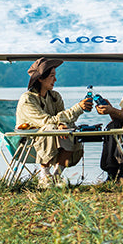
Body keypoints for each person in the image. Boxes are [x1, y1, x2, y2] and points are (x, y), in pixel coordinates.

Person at [16, 57, 93, 187]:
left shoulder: (55, 96)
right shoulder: (27, 99)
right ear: (40, 78)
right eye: (52, 76)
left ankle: (57, 176)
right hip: (30, 141)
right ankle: (44, 174)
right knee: (50, 128)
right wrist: (78, 108)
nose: (55, 80)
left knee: (68, 130)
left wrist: (62, 125)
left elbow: (61, 118)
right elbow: (47, 121)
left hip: (54, 137)